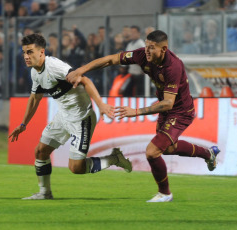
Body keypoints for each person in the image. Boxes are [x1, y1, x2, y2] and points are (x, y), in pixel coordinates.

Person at [66, 30, 221, 202]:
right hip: (164, 109)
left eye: (151, 48)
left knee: (152, 152)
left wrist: (137, 111)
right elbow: (111, 59)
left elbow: (169, 103)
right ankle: (208, 154)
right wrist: (81, 70)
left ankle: (165, 193)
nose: (146, 51)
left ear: (163, 49)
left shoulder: (173, 67)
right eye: (146, 46)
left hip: (180, 111)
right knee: (168, 148)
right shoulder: (141, 55)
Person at [8, 34, 132, 200]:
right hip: (63, 116)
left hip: (81, 118)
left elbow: (85, 80)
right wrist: (23, 125)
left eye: (30, 52)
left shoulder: (54, 66)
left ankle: (114, 158)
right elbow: (35, 98)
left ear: (41, 52)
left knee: (76, 168)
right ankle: (44, 193)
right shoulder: (35, 73)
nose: (26, 56)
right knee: (40, 151)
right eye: (24, 52)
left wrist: (101, 105)